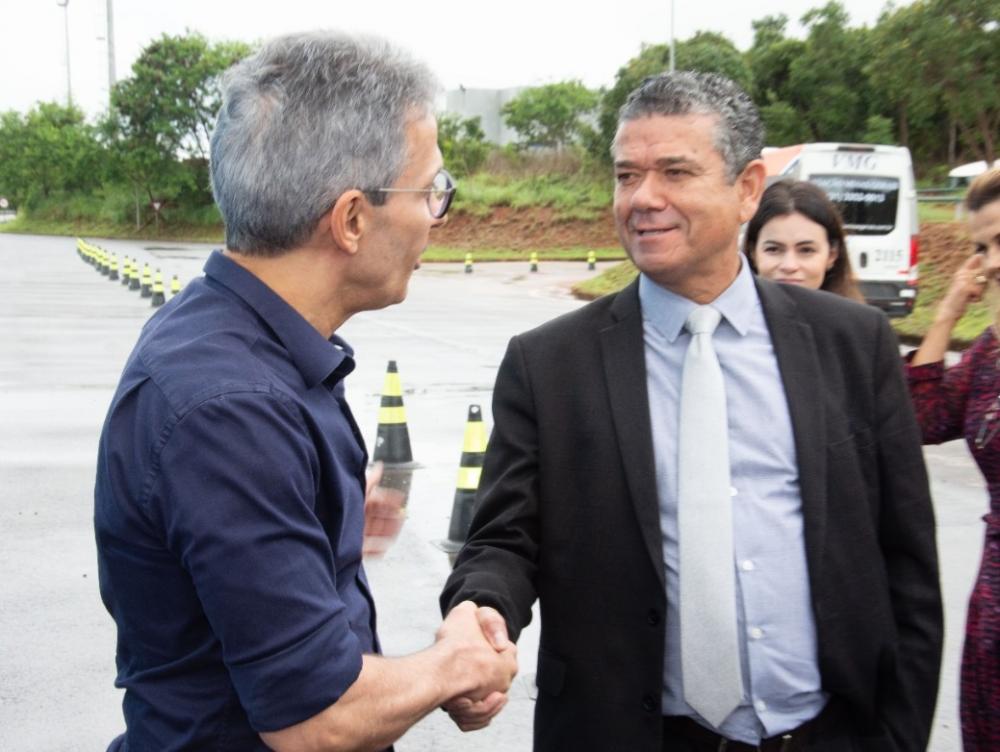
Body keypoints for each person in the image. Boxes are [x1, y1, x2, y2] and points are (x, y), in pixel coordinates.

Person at [442, 71, 943, 751]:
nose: (643, 199)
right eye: (626, 176)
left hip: (830, 733)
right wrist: (480, 608)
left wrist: (899, 734)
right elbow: (503, 539)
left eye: (674, 171)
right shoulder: (549, 364)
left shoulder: (852, 343)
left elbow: (907, 564)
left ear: (747, 187)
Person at [94, 31, 516, 752]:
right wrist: (454, 664)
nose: (437, 216)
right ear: (352, 219)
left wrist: (319, 529)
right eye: (432, 190)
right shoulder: (233, 411)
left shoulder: (227, 334)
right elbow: (317, 718)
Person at [906, 167, 1000, 751]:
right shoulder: (990, 351)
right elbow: (922, 418)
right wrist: (947, 314)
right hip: (993, 603)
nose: (988, 262)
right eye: (982, 245)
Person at [743, 179, 864, 301]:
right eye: (773, 249)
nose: (789, 266)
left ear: (832, 255)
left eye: (806, 250)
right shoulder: (729, 318)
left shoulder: (861, 319)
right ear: (753, 253)